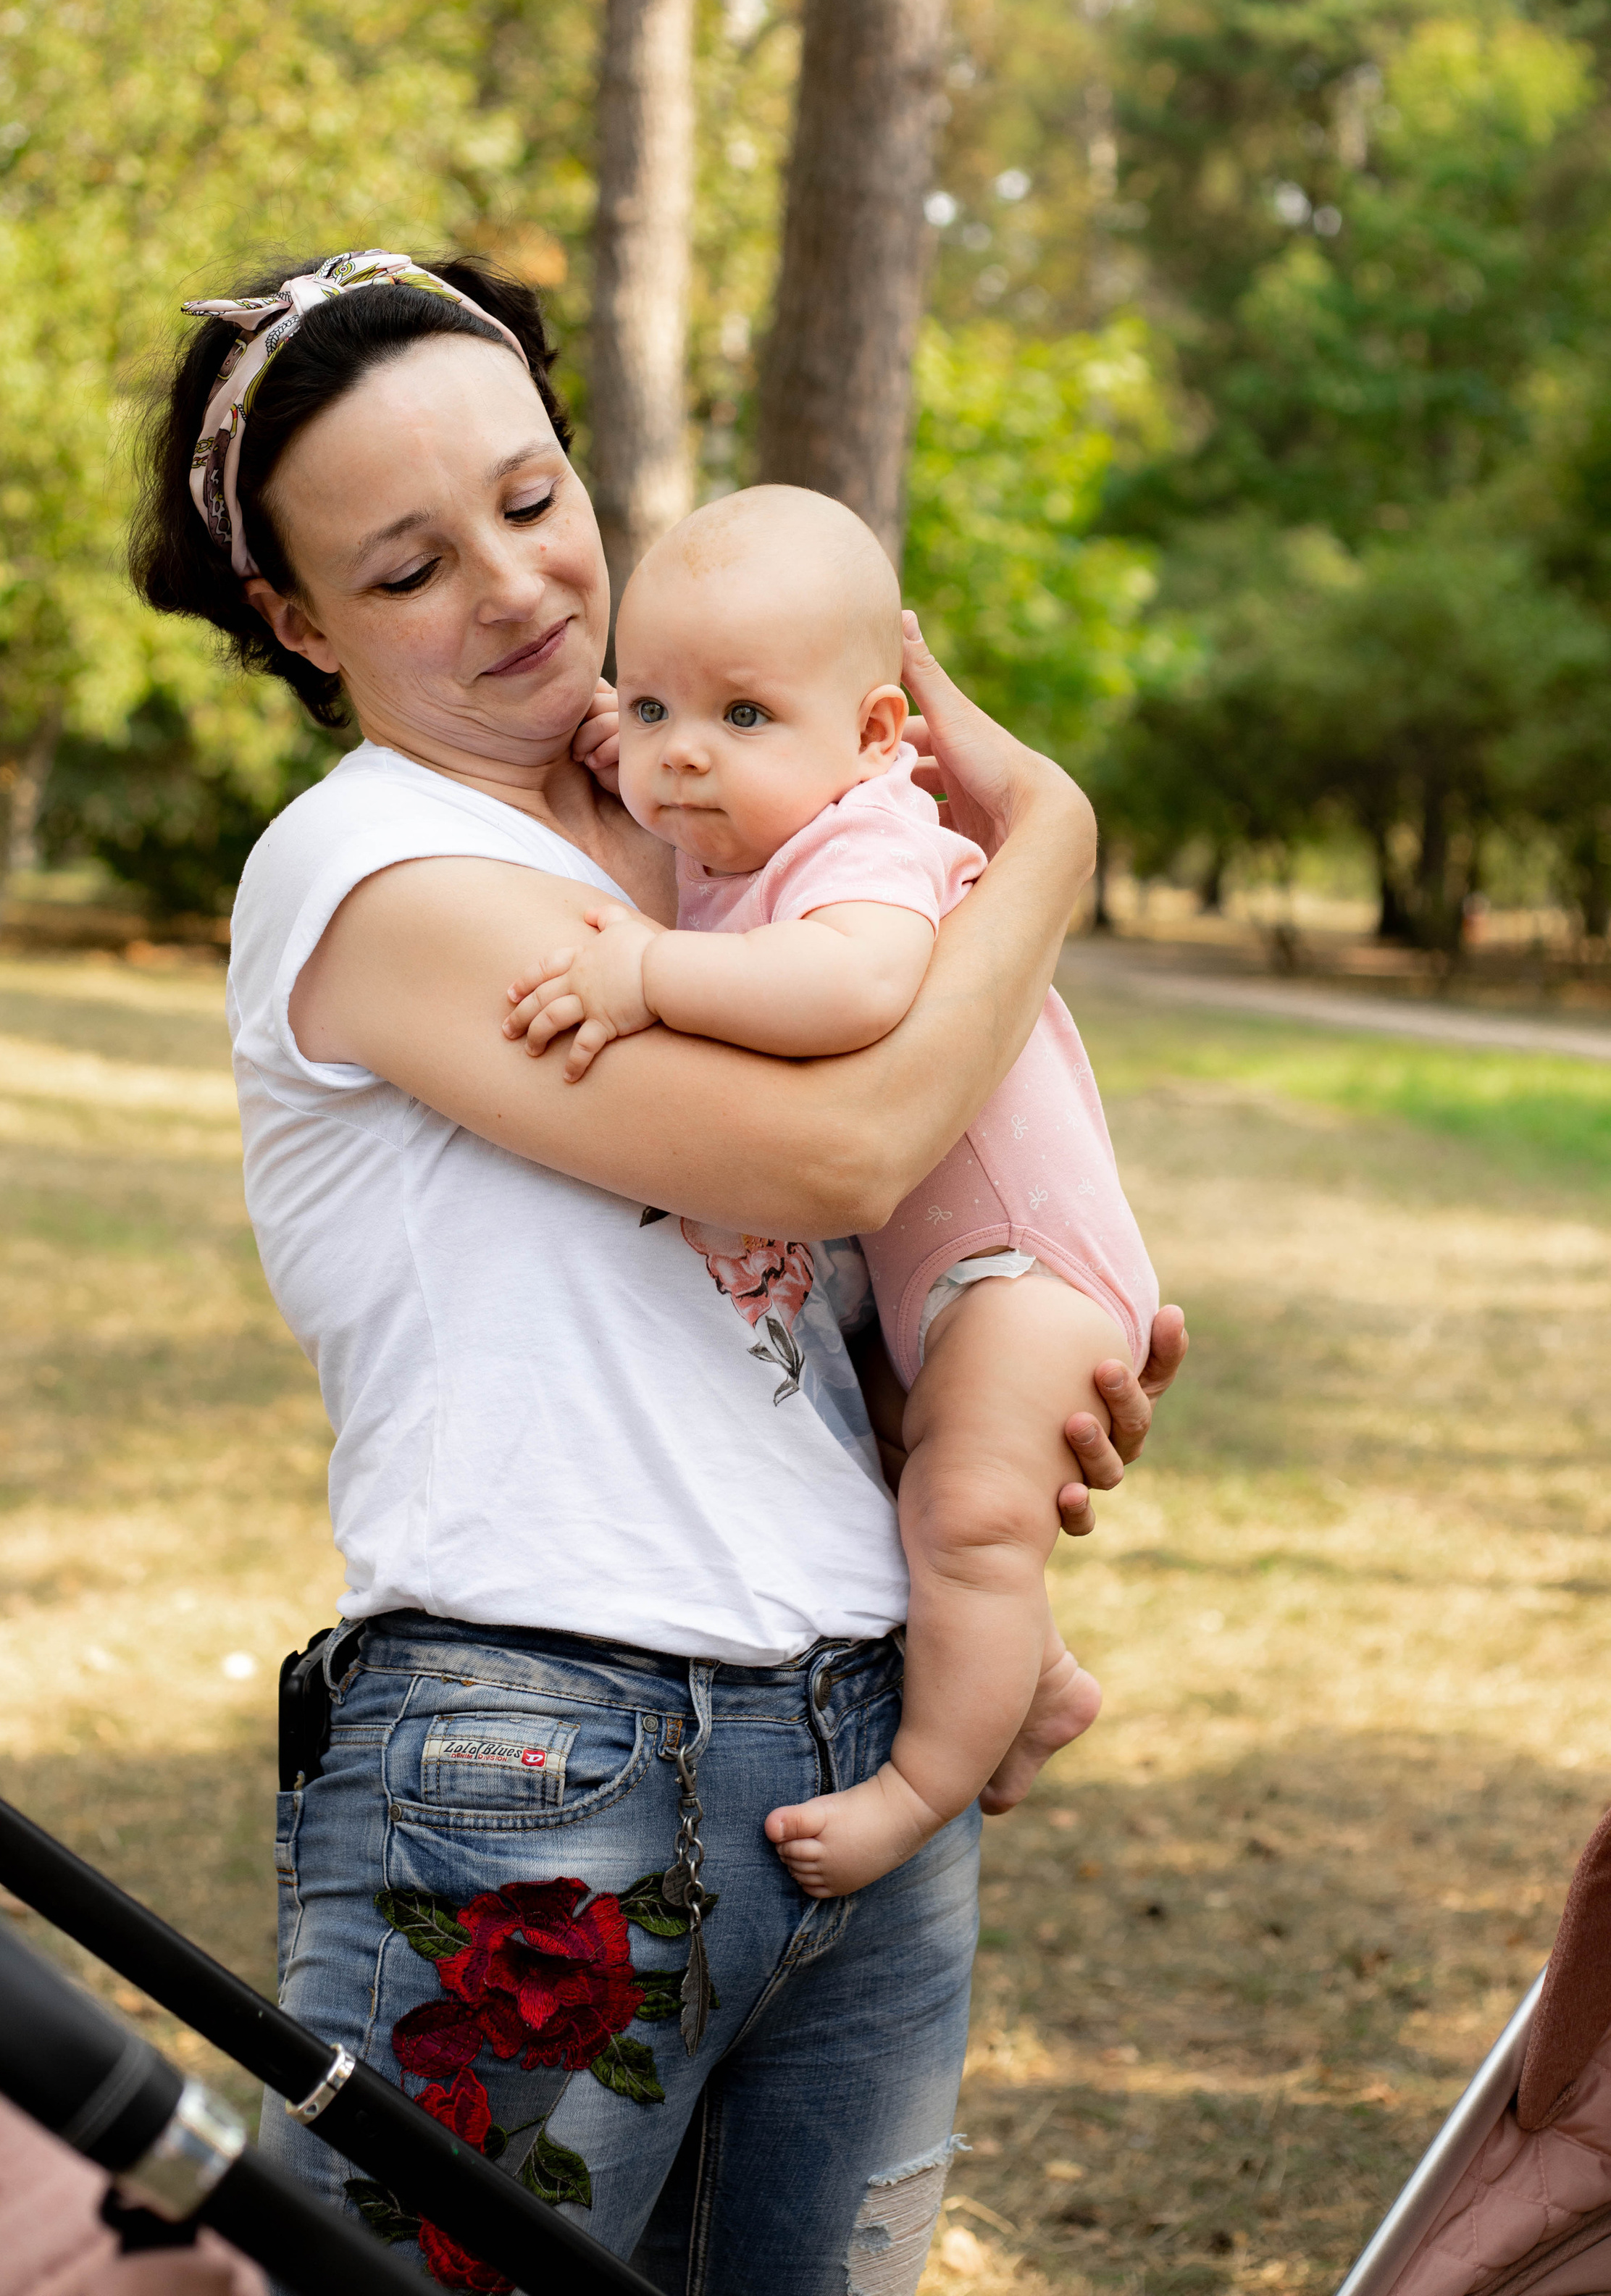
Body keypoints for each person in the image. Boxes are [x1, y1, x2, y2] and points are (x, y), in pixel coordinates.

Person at [130, 250, 1188, 2296]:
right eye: (411, 564)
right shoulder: (366, 872)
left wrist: (989, 1357)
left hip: (857, 1743)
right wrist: (1046, 843)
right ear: (298, 620)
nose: (520, 589)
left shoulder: (705, 846)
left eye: (534, 502)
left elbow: (835, 1237)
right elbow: (847, 1138)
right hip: (533, 1770)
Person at [503, 487, 1158, 1901]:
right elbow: (648, 750)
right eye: (655, 709)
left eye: (743, 718)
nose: (683, 757)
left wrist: (641, 975)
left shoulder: (866, 841)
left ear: (872, 734)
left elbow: (851, 986)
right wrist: (609, 735)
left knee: (968, 1515)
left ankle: (923, 1785)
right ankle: (1029, 1671)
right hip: (924, 1278)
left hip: (1017, 1261)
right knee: (893, 1476)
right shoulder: (723, 839)